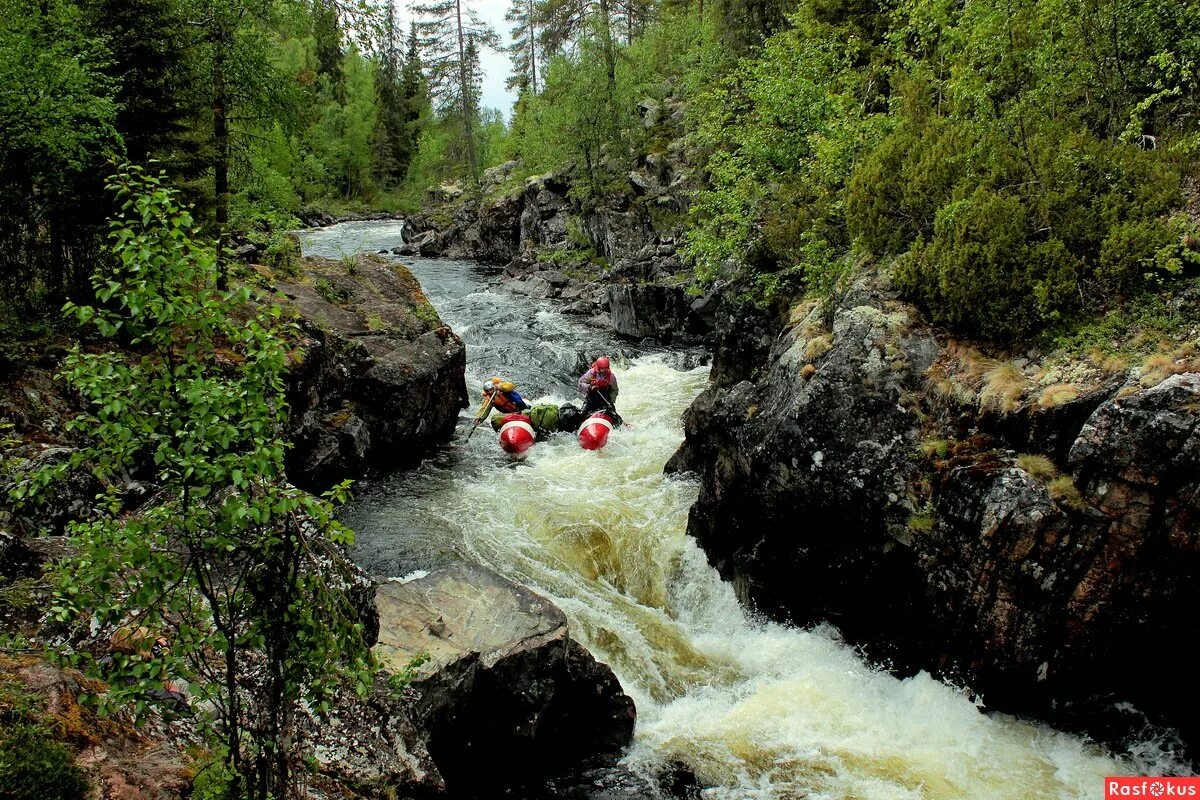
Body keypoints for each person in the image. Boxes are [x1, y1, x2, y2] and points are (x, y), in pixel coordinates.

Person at [578, 356, 620, 422]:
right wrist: (589, 387)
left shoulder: (611, 377)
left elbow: (614, 390)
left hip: (605, 402)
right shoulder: (591, 373)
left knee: (614, 416)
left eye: (606, 369)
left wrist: (611, 401)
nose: (604, 371)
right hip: (591, 401)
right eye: (602, 369)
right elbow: (580, 383)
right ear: (598, 368)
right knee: (581, 415)